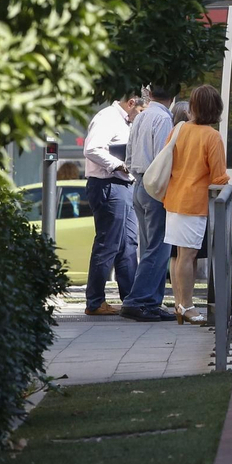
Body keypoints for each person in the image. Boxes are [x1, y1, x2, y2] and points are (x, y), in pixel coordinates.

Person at [162, 85, 229, 325]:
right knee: (188, 256)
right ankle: (187, 306)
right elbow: (219, 177)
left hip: (173, 199)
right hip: (194, 202)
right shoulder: (212, 136)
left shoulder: (179, 130)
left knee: (180, 256)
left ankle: (180, 305)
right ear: (215, 108)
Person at [120, 83, 178, 322]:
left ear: (150, 94)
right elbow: (161, 160)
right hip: (156, 186)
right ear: (174, 95)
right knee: (158, 248)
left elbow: (129, 157)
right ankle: (138, 300)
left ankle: (151, 303)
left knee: (149, 247)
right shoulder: (163, 119)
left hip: (139, 184)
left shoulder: (141, 117)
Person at [82, 92, 141, 316]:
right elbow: (92, 149)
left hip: (121, 186)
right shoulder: (108, 117)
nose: (140, 116)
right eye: (140, 111)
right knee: (108, 244)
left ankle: (131, 299)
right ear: (131, 103)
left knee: (128, 244)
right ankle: (95, 301)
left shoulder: (121, 120)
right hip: (109, 185)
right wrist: (119, 165)